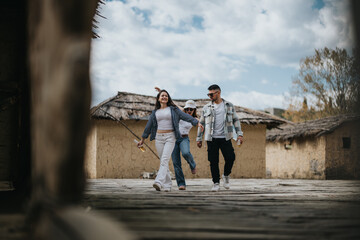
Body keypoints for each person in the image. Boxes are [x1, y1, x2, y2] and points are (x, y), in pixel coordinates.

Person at [138, 89, 203, 192]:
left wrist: (196, 122)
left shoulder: (173, 110)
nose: (164, 97)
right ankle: (168, 185)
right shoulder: (155, 112)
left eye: (166, 96)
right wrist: (142, 140)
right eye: (162, 96)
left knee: (168, 158)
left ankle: (158, 181)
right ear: (158, 98)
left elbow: (186, 116)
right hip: (159, 138)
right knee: (167, 161)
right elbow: (148, 126)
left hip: (173, 137)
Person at [196, 84, 243, 191]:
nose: (209, 96)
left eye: (211, 94)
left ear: (218, 93)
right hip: (211, 138)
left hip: (225, 137)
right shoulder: (206, 107)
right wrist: (199, 138)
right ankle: (216, 183)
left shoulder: (229, 105)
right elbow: (201, 123)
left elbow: (236, 120)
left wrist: (239, 134)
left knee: (231, 158)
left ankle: (226, 176)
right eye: (208, 94)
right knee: (213, 161)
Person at [171, 100, 198, 190]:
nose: (189, 111)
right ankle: (181, 184)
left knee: (186, 153)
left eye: (191, 109)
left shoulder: (195, 119)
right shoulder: (181, 113)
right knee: (176, 163)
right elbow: (173, 103)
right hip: (174, 139)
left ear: (194, 110)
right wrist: (160, 92)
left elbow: (205, 123)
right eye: (187, 109)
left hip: (184, 138)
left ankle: (192, 164)